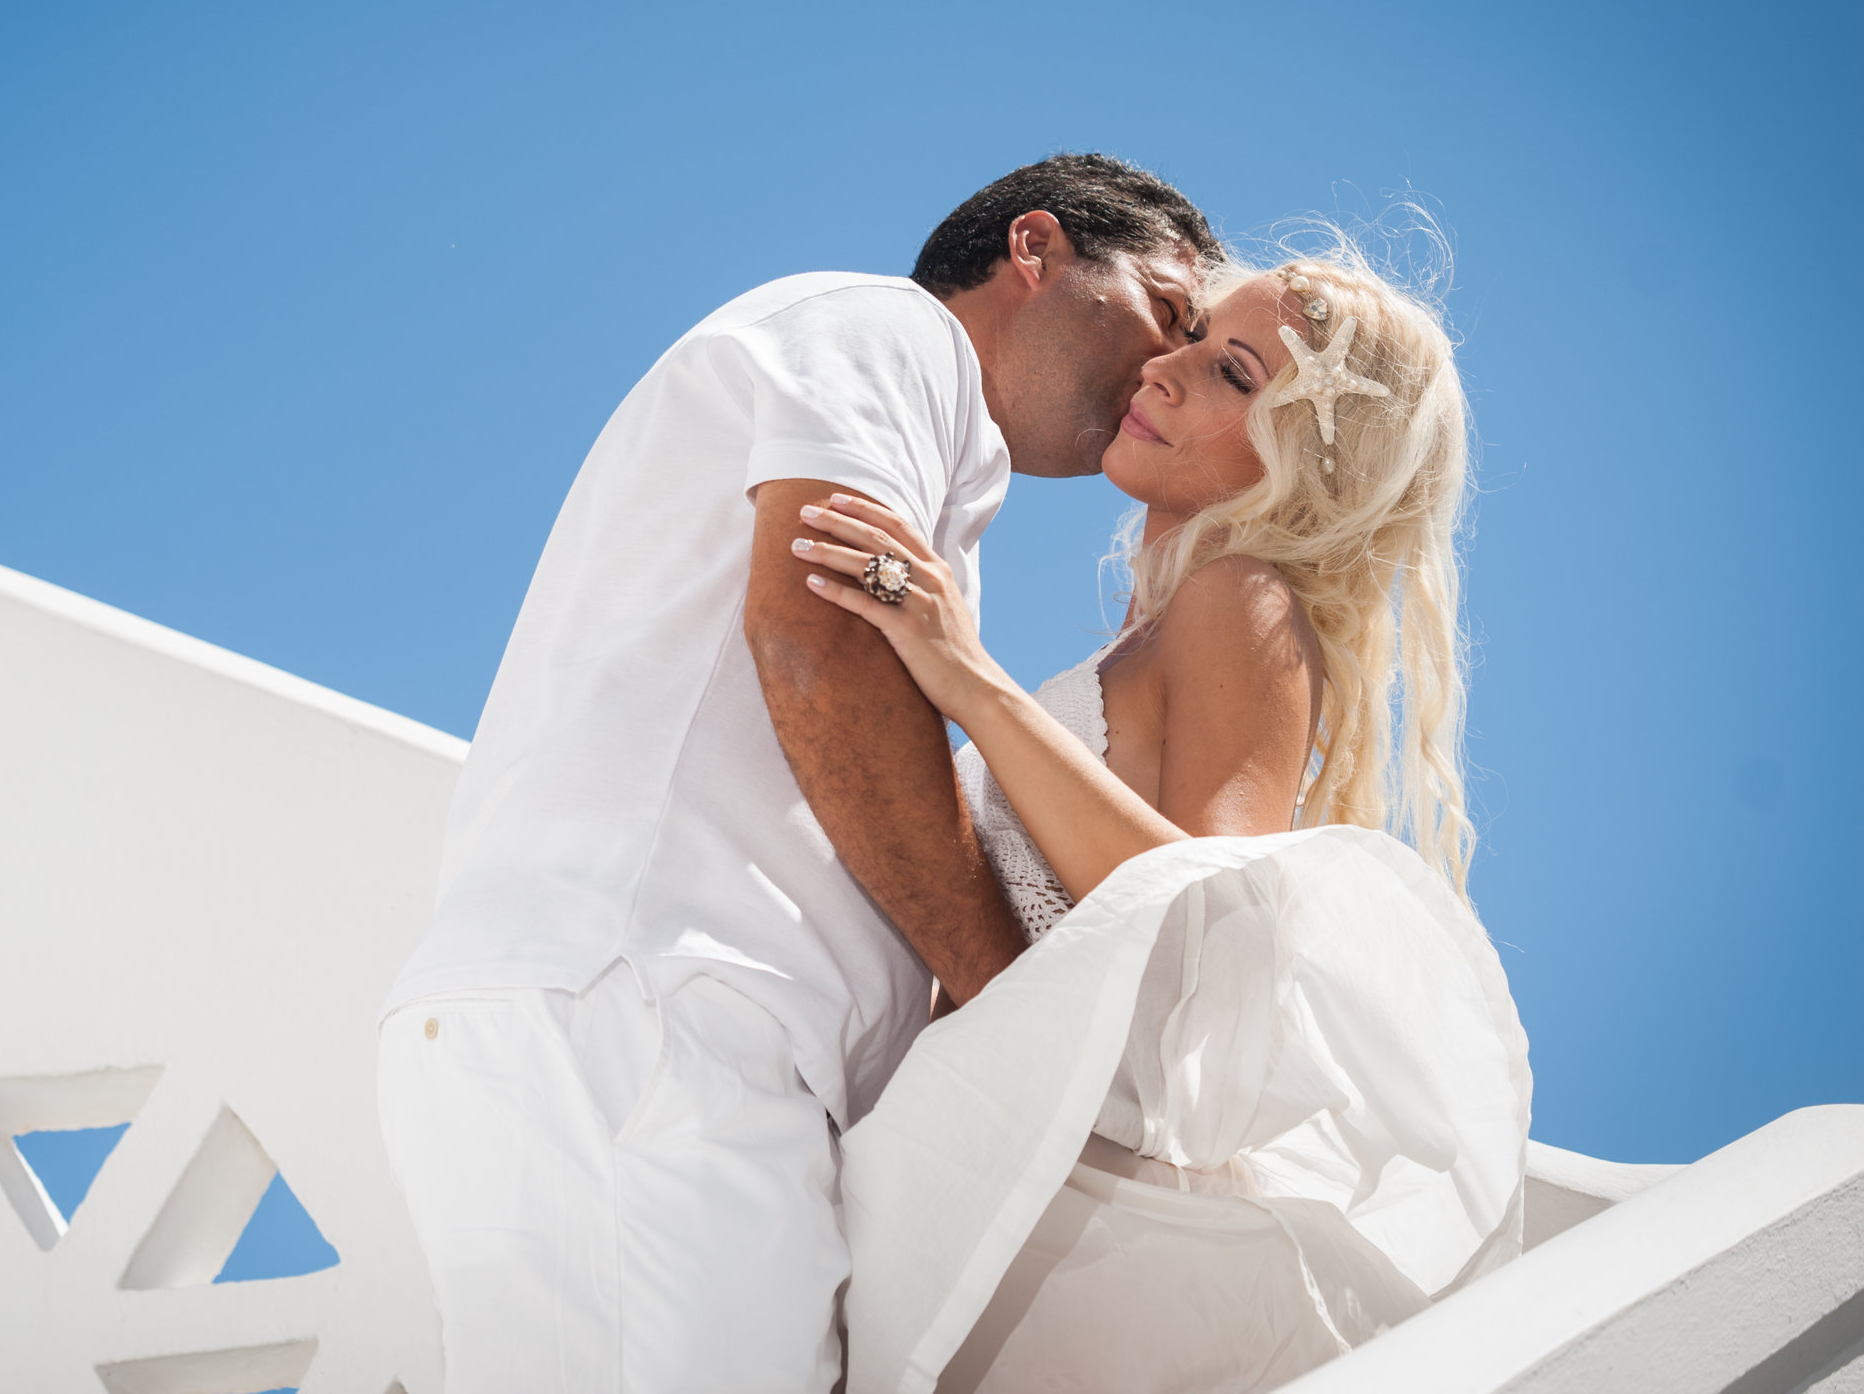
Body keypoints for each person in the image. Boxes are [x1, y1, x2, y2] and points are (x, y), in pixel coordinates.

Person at [377, 154, 1220, 1392]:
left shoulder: (932, 454)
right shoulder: (889, 333)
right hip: (661, 1015)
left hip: (654, 1030)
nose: (1165, 365)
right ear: (1034, 249)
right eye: (1166, 310)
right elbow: (815, 630)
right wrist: (1007, 992)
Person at [795, 242, 1530, 1393]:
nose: (1164, 371)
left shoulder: (1244, 598)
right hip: (992, 1189)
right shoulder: (1166, 621)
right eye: (1188, 337)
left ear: (1309, 457)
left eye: (1233, 371)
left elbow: (1201, 919)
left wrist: (963, 676)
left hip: (1075, 1247)